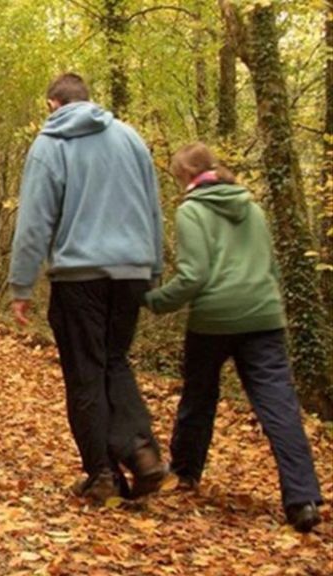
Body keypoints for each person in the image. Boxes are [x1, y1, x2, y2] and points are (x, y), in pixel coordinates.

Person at [143, 143, 323, 533]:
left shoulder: (192, 211)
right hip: (264, 315)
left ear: (186, 177)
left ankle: (187, 473)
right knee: (279, 407)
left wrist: (155, 300)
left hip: (214, 319)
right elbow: (271, 266)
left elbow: (193, 276)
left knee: (198, 397)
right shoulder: (253, 207)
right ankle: (303, 499)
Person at [8, 73, 166, 503]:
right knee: (115, 360)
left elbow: (35, 221)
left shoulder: (50, 143)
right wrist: (153, 268)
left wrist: (21, 284)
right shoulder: (130, 138)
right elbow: (153, 207)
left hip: (80, 276)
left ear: (52, 104)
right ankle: (141, 450)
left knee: (85, 373)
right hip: (132, 269)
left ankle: (103, 475)